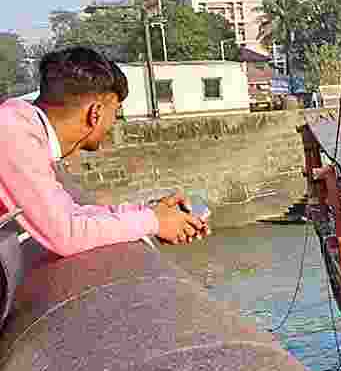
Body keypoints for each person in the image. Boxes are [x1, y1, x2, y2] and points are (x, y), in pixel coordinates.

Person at [0, 47, 206, 256]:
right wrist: (153, 222)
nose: (114, 124)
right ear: (96, 112)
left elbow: (69, 214)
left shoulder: (21, 128)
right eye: (115, 113)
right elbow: (67, 234)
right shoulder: (11, 133)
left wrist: (150, 212)